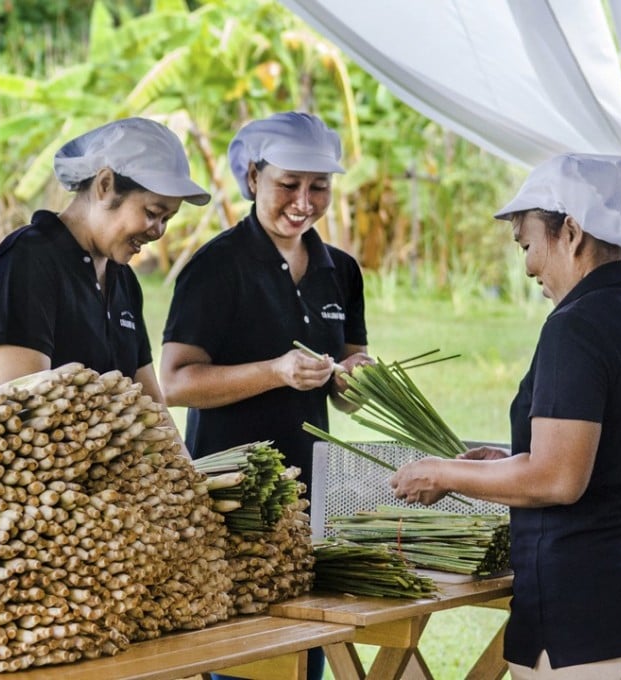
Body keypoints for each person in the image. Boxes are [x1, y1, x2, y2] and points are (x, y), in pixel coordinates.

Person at [390, 153, 621, 679]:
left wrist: (441, 472)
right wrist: (503, 463)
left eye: (528, 245)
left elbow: (559, 479)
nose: (529, 265)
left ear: (573, 233)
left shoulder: (576, 326)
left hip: (590, 619)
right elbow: (617, 449)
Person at [160, 111, 371, 680]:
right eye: (288, 185)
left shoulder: (341, 271)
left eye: (319, 187)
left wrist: (358, 378)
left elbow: (348, 390)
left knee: (306, 651)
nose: (303, 201)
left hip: (309, 500)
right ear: (253, 177)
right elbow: (176, 382)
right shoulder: (215, 267)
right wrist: (275, 371)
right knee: (241, 659)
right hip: (232, 499)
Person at [0, 117, 210, 400]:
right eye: (151, 212)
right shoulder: (28, 260)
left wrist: (178, 446)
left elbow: (151, 407)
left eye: (166, 219)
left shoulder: (123, 279)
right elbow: (26, 406)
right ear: (105, 185)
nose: (158, 231)